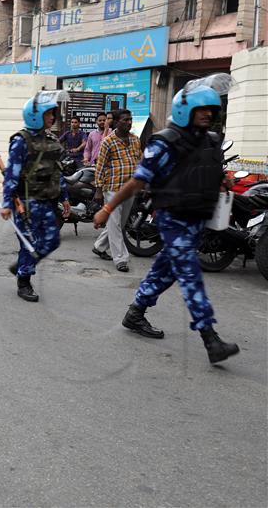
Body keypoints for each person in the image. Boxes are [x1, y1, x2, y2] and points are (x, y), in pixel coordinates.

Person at [92, 73, 239, 364]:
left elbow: (207, 169)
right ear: (186, 110)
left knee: (165, 270)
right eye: (202, 111)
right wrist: (107, 209)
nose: (208, 115)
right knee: (189, 274)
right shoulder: (164, 143)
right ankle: (211, 339)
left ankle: (136, 313)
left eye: (211, 110)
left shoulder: (208, 140)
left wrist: (223, 179)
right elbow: (137, 181)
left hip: (199, 217)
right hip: (173, 219)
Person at [0, 90, 71, 302]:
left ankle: (22, 265)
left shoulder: (51, 139)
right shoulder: (21, 141)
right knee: (29, 243)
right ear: (36, 115)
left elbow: (57, 172)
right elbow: (11, 175)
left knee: (52, 240)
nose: (52, 117)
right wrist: (6, 204)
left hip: (47, 201)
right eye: (49, 113)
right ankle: (24, 280)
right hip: (26, 202)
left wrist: (65, 197)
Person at [92, 109, 141, 272]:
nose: (129, 122)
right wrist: (98, 190)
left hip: (130, 189)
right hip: (112, 188)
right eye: (125, 120)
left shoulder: (135, 140)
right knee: (114, 222)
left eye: (130, 119)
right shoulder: (108, 141)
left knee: (119, 223)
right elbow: (100, 166)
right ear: (117, 122)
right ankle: (121, 258)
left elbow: (139, 161)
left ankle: (99, 246)